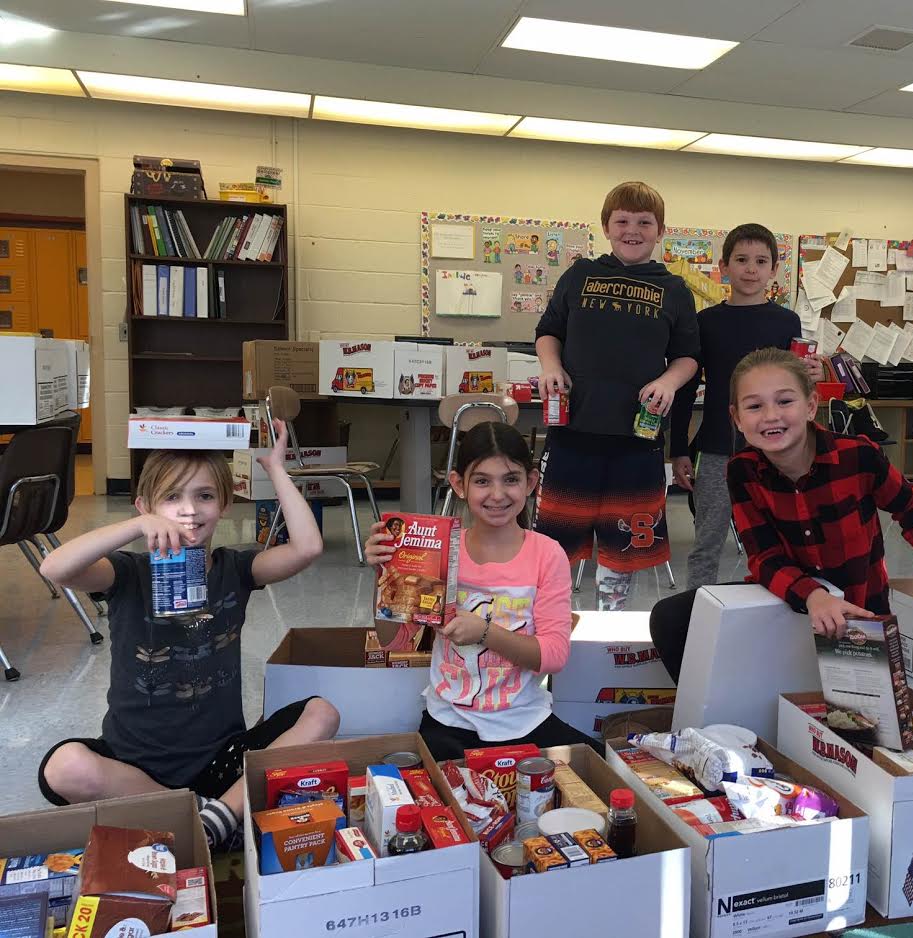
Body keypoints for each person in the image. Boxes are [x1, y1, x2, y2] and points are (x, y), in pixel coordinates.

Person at [36, 422, 338, 851]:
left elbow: (307, 548)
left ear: (226, 504)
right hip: (135, 767)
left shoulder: (237, 570)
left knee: (322, 714)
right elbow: (55, 568)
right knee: (63, 767)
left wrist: (276, 469)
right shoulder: (126, 573)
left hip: (222, 761)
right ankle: (196, 813)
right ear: (146, 506)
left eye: (205, 496)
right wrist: (137, 527)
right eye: (171, 498)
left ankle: (215, 818)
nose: (189, 510)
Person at [650, 347, 913, 682]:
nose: (771, 416)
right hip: (785, 601)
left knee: (860, 720)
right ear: (736, 418)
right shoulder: (742, 471)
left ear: (810, 406)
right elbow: (764, 557)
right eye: (754, 406)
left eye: (785, 401)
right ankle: (717, 722)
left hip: (857, 612)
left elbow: (910, 505)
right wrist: (812, 596)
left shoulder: (858, 456)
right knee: (671, 618)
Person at [364, 422, 599, 760]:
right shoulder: (439, 549)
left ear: (531, 482)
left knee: (610, 770)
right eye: (482, 481)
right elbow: (395, 640)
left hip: (524, 721)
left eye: (511, 479)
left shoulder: (546, 554)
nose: (498, 494)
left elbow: (553, 656)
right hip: (447, 722)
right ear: (459, 484)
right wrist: (385, 578)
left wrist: (485, 632)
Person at [534, 180, 699, 610]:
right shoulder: (580, 275)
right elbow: (549, 332)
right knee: (555, 545)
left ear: (660, 231)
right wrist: (551, 366)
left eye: (645, 222)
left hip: (637, 442)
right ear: (606, 227)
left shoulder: (675, 290)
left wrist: (667, 382)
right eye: (622, 220)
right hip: (573, 434)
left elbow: (688, 357)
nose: (633, 229)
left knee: (622, 550)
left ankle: (610, 630)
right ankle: (552, 628)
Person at [669, 223, 807, 590]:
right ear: (723, 267)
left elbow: (795, 388)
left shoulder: (786, 322)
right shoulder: (705, 323)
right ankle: (695, 618)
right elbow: (684, 390)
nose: (751, 269)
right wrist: (679, 449)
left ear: (774, 270)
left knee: (779, 543)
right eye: (741, 260)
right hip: (717, 449)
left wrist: (810, 372)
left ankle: (775, 611)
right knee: (706, 543)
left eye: (761, 261)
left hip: (776, 451)